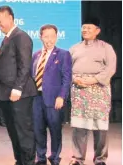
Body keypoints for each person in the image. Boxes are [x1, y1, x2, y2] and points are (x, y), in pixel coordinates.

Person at [0, 6, 37, 165]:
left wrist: (18, 88)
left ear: (10, 18)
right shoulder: (7, 38)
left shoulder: (21, 36)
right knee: (13, 132)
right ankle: (19, 161)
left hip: (19, 94)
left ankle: (28, 162)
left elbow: (25, 66)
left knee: (23, 132)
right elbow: (6, 66)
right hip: (6, 93)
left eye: (0, 21)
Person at [68, 18, 116, 165]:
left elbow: (110, 68)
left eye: (89, 28)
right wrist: (75, 79)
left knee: (100, 127)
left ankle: (100, 158)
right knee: (79, 126)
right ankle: (78, 158)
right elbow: (66, 69)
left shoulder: (106, 47)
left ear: (97, 31)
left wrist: (94, 80)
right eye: (83, 27)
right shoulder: (74, 48)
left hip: (99, 90)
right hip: (79, 90)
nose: (85, 30)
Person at [31, 24, 72, 165]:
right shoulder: (36, 55)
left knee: (55, 130)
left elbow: (67, 78)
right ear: (40, 37)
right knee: (38, 129)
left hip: (54, 99)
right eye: (46, 36)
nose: (49, 40)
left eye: (53, 36)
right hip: (36, 98)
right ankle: (41, 158)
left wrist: (62, 96)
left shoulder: (63, 54)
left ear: (56, 37)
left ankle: (55, 158)